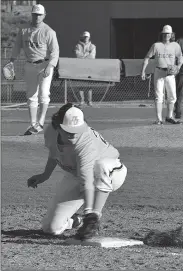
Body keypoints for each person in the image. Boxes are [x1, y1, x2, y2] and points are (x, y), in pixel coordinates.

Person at [26, 103, 128, 240]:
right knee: (50, 228)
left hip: (111, 172)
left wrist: (89, 214)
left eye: (77, 130)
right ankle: (76, 221)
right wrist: (45, 175)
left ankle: (95, 217)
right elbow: (54, 153)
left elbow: (87, 181)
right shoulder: (50, 131)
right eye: (68, 131)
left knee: (101, 165)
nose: (73, 135)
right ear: (57, 126)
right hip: (76, 174)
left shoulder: (86, 143)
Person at [8, 4, 59, 136]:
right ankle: (32, 123)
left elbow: (55, 52)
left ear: (44, 15)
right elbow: (17, 46)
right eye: (35, 14)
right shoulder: (24, 30)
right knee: (31, 95)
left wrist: (50, 66)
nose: (37, 17)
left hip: (44, 64)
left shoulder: (49, 32)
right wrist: (11, 61)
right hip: (29, 64)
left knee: (43, 93)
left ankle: (40, 122)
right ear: (32, 15)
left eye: (40, 15)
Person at [141, 25, 183, 125]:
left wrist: (178, 66)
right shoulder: (156, 45)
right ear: (162, 34)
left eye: (168, 33)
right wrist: (143, 71)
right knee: (159, 96)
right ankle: (159, 119)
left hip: (170, 73)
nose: (166, 35)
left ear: (171, 34)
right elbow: (147, 58)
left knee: (172, 96)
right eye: (164, 34)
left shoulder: (175, 46)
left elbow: (180, 57)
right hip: (159, 71)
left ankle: (169, 116)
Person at [74, 31, 97, 107]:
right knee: (80, 85)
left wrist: (83, 55)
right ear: (82, 37)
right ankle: (82, 101)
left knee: (89, 85)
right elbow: (78, 55)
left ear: (89, 37)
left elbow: (92, 57)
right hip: (80, 67)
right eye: (84, 36)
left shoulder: (93, 46)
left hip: (89, 68)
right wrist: (87, 54)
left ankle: (89, 101)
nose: (86, 38)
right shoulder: (78, 45)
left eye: (87, 37)